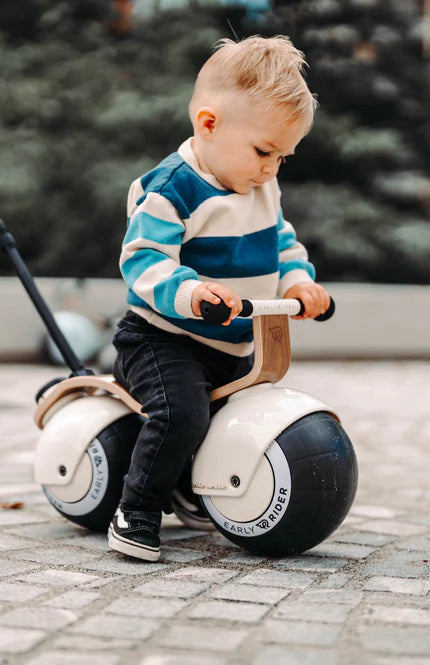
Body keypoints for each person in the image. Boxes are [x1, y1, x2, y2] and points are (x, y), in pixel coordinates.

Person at [108, 35, 331, 561]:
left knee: (240, 414)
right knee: (182, 414)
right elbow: (143, 259)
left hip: (234, 343)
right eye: (263, 151)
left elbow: (281, 241)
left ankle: (197, 485)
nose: (271, 168)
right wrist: (191, 291)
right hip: (164, 339)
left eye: (282, 157)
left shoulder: (261, 187)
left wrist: (298, 282)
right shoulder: (171, 188)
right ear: (209, 125)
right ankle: (136, 511)